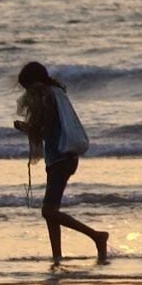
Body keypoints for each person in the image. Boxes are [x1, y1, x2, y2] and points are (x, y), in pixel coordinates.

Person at [15, 61, 107, 265]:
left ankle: (96, 236)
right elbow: (51, 129)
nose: (27, 92)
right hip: (59, 158)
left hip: (61, 159)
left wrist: (26, 128)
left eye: (28, 87)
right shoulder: (55, 94)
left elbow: (44, 129)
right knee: (51, 213)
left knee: (48, 211)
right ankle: (57, 256)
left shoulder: (48, 96)